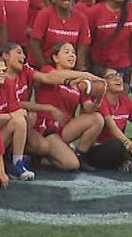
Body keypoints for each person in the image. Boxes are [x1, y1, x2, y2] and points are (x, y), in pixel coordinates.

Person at [31, 42, 105, 171]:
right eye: (66, 52)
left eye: (73, 52)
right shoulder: (48, 70)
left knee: (97, 118)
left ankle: (80, 155)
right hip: (46, 127)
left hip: (65, 128)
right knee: (71, 165)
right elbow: (55, 77)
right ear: (55, 58)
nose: (71, 55)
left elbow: (88, 108)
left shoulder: (80, 83)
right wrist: (84, 74)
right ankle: (41, 152)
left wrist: (99, 97)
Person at [0, 55, 34, 181]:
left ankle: (16, 162)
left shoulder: (7, 84)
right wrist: (10, 116)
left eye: (4, 70)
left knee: (23, 119)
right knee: (18, 120)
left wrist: (14, 115)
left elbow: (16, 109)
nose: (2, 74)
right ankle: (11, 161)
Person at [86, 0, 132, 80]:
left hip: (124, 65)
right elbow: (87, 42)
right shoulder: (94, 12)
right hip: (100, 66)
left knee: (122, 95)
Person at [30, 0, 90, 69]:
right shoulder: (44, 14)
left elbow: (82, 47)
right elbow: (35, 44)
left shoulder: (81, 18)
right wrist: (46, 69)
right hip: (42, 65)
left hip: (68, 67)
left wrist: (77, 70)